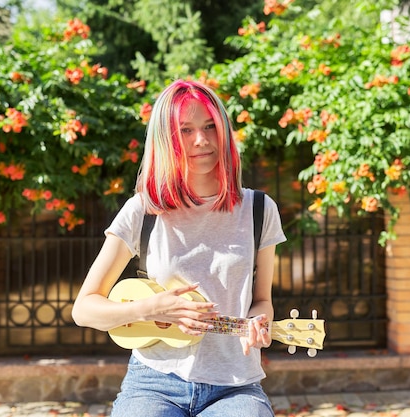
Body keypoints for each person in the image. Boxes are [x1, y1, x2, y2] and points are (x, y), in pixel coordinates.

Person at [72, 79, 286, 417]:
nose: (201, 140)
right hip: (153, 382)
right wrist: (150, 309)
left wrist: (259, 322)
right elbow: (84, 309)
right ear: (166, 140)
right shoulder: (142, 210)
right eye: (185, 130)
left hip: (234, 385)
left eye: (209, 127)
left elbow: (262, 301)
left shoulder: (259, 210)